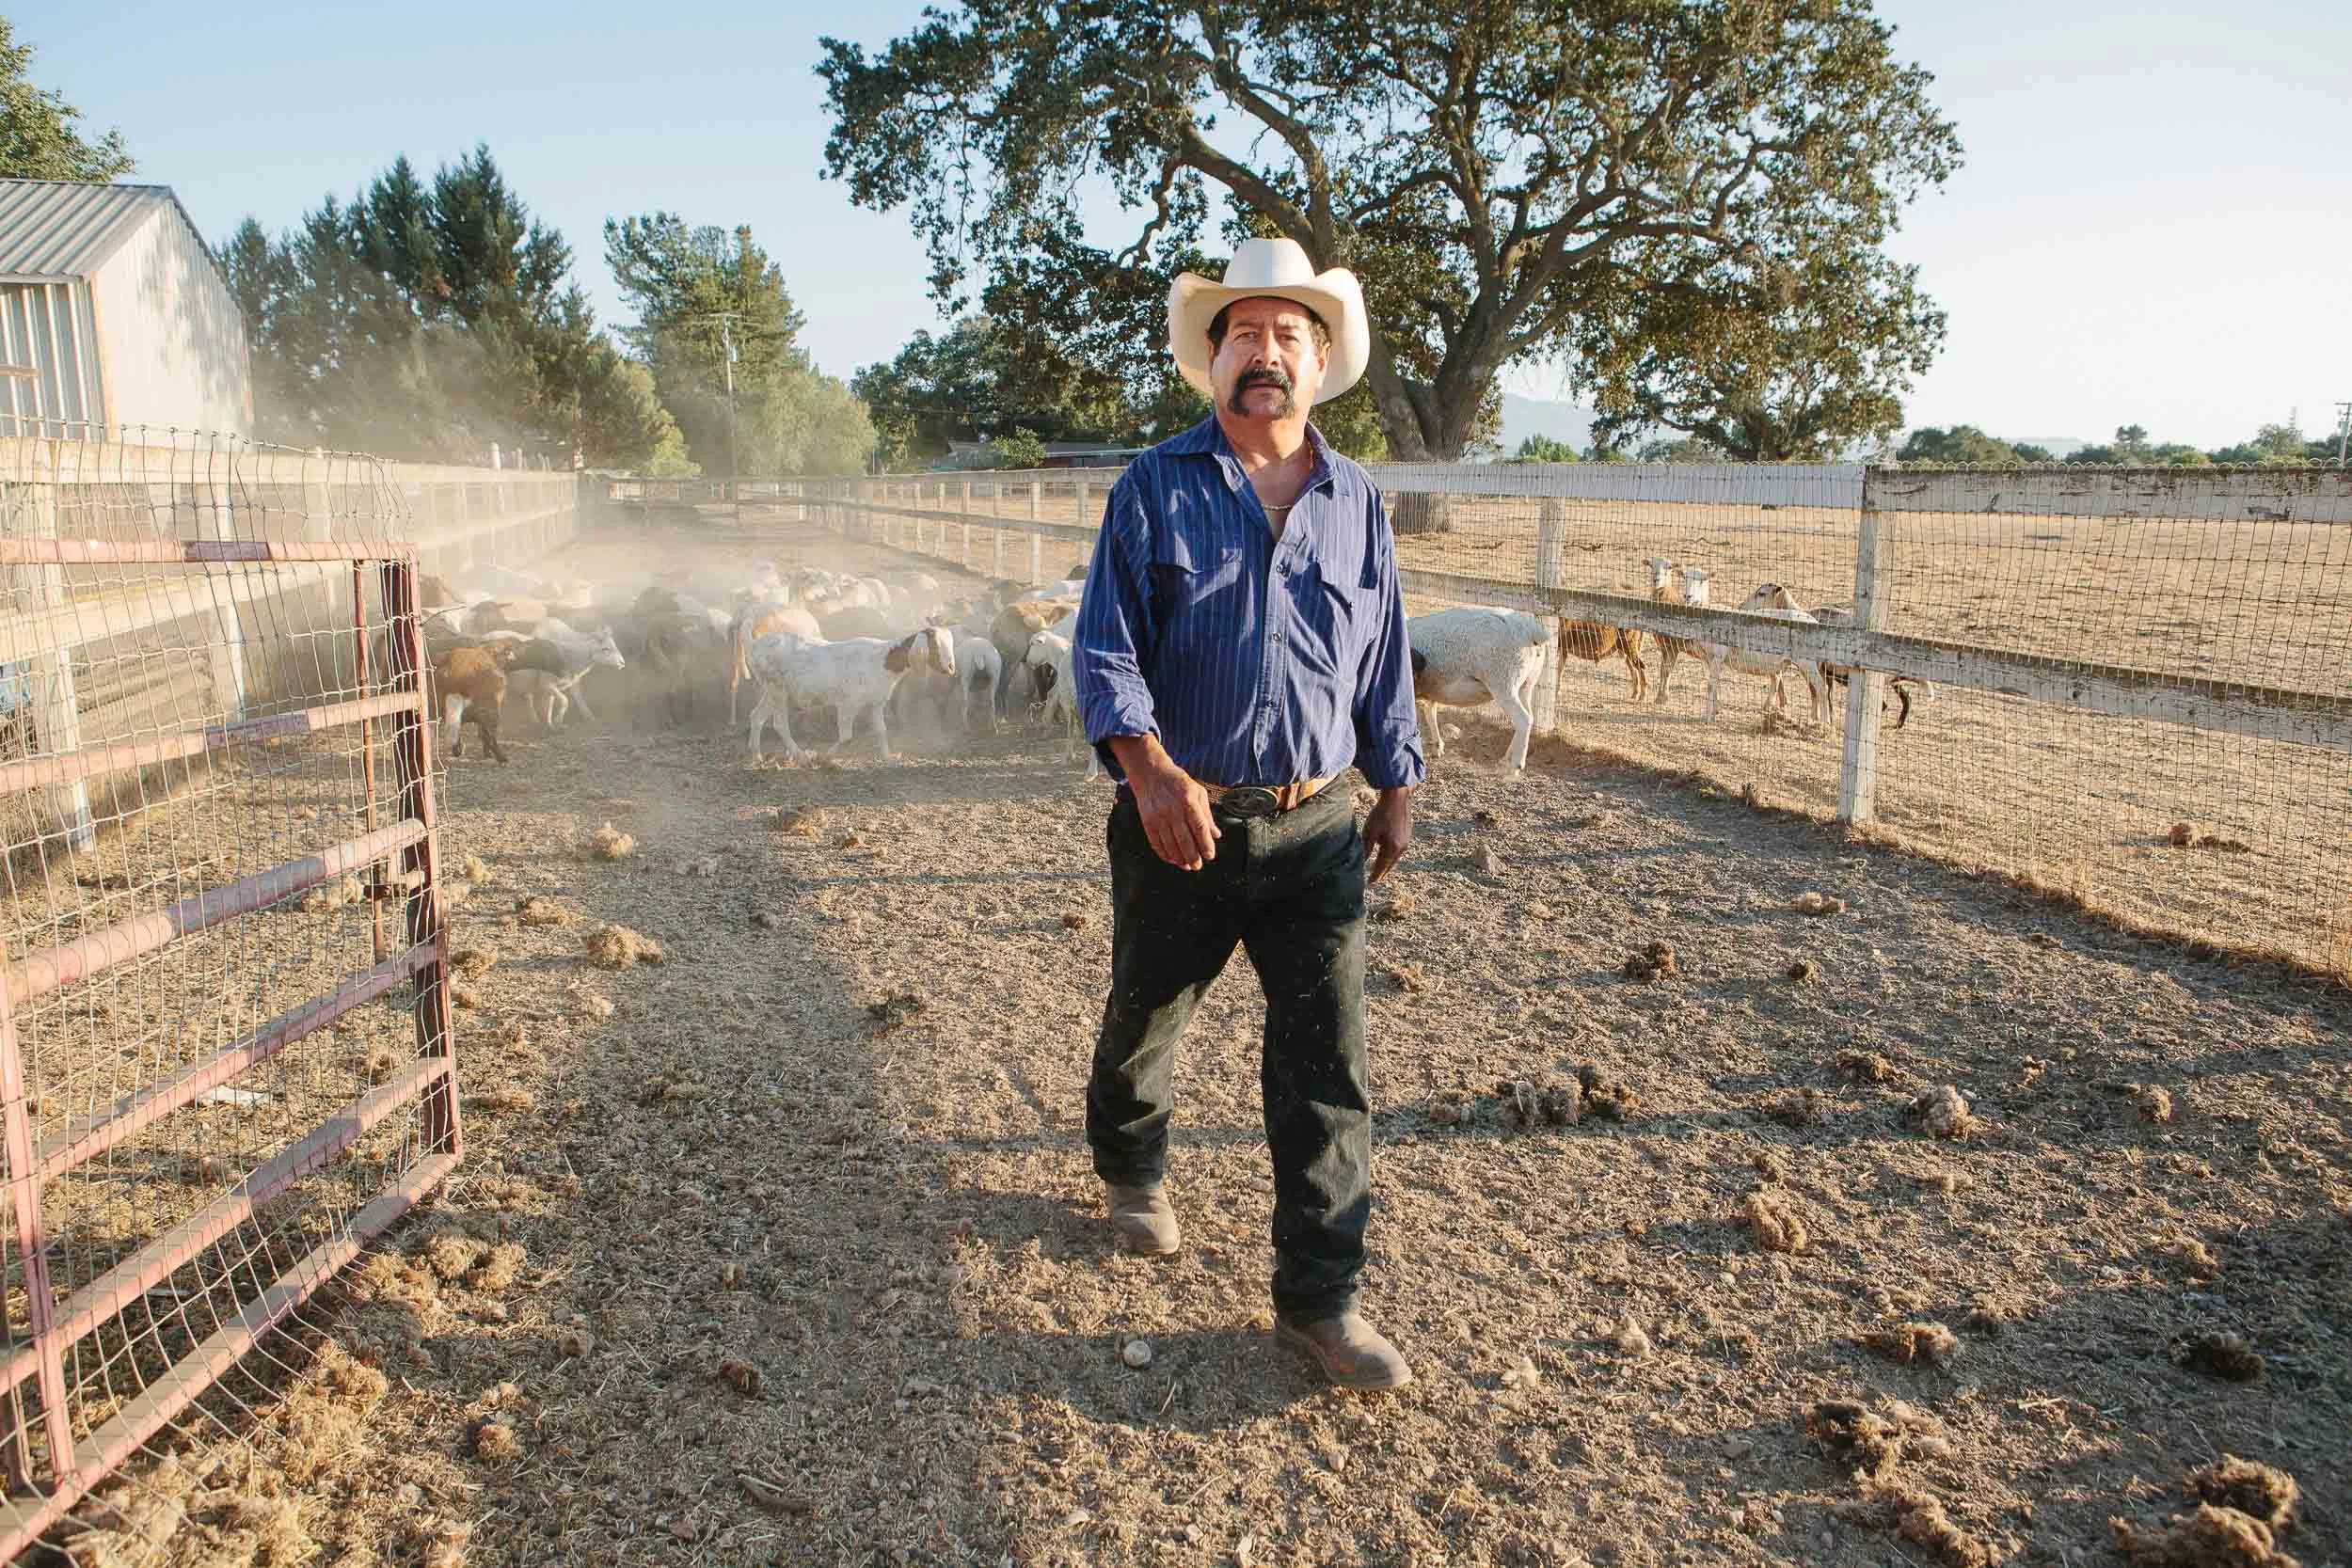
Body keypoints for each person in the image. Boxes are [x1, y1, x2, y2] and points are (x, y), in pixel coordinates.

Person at [1072, 236, 1423, 1392]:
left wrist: (1398, 779)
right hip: (1182, 818)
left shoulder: (1357, 499)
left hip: (1318, 825)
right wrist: (1150, 771)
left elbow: (1377, 656)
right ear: (1212, 357)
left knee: (1328, 1064)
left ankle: (1319, 1303)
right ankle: (1131, 1170)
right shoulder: (1155, 486)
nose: (1263, 355)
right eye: (1243, 334)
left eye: (1287, 335)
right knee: (1146, 1008)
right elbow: (1105, 648)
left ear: (1319, 362)